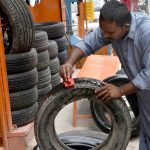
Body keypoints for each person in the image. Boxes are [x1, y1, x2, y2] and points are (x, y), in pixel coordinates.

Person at [60, 0, 150, 149]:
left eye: (110, 33)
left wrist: (120, 90)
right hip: (144, 95)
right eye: (102, 30)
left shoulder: (146, 32)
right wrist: (69, 62)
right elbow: (88, 43)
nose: (104, 35)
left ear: (126, 27)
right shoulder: (111, 29)